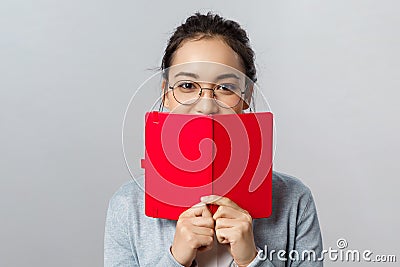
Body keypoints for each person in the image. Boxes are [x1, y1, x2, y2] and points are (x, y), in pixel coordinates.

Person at [104, 12, 323, 267]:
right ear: (165, 93)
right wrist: (176, 258)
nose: (206, 106)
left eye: (225, 87)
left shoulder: (294, 200)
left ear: (247, 95)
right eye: (187, 85)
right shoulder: (128, 206)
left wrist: (251, 260)